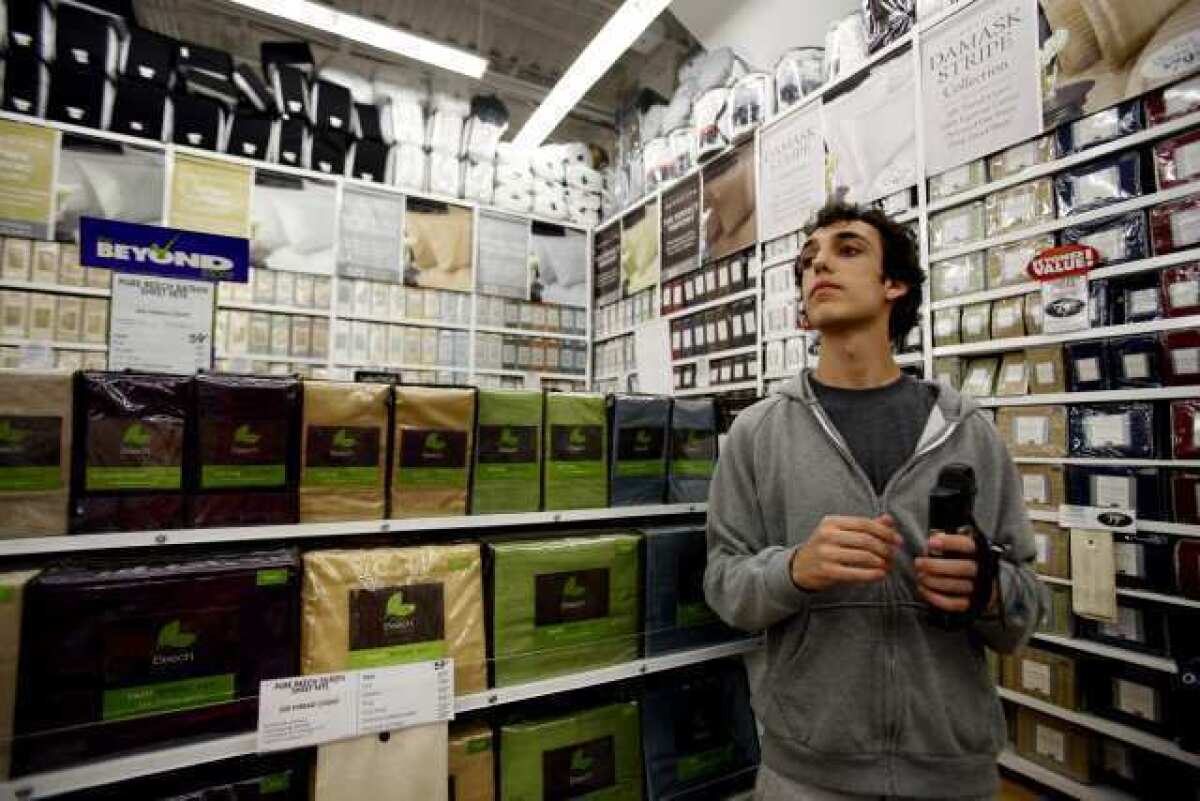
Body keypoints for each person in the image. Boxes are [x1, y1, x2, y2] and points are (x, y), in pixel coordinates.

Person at [704, 201, 1045, 800]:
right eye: (808, 261)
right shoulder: (756, 435)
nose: (819, 266)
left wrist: (989, 589)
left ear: (895, 285)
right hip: (805, 773)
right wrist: (794, 570)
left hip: (952, 770)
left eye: (847, 249)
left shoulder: (968, 431)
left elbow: (1026, 610)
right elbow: (725, 587)